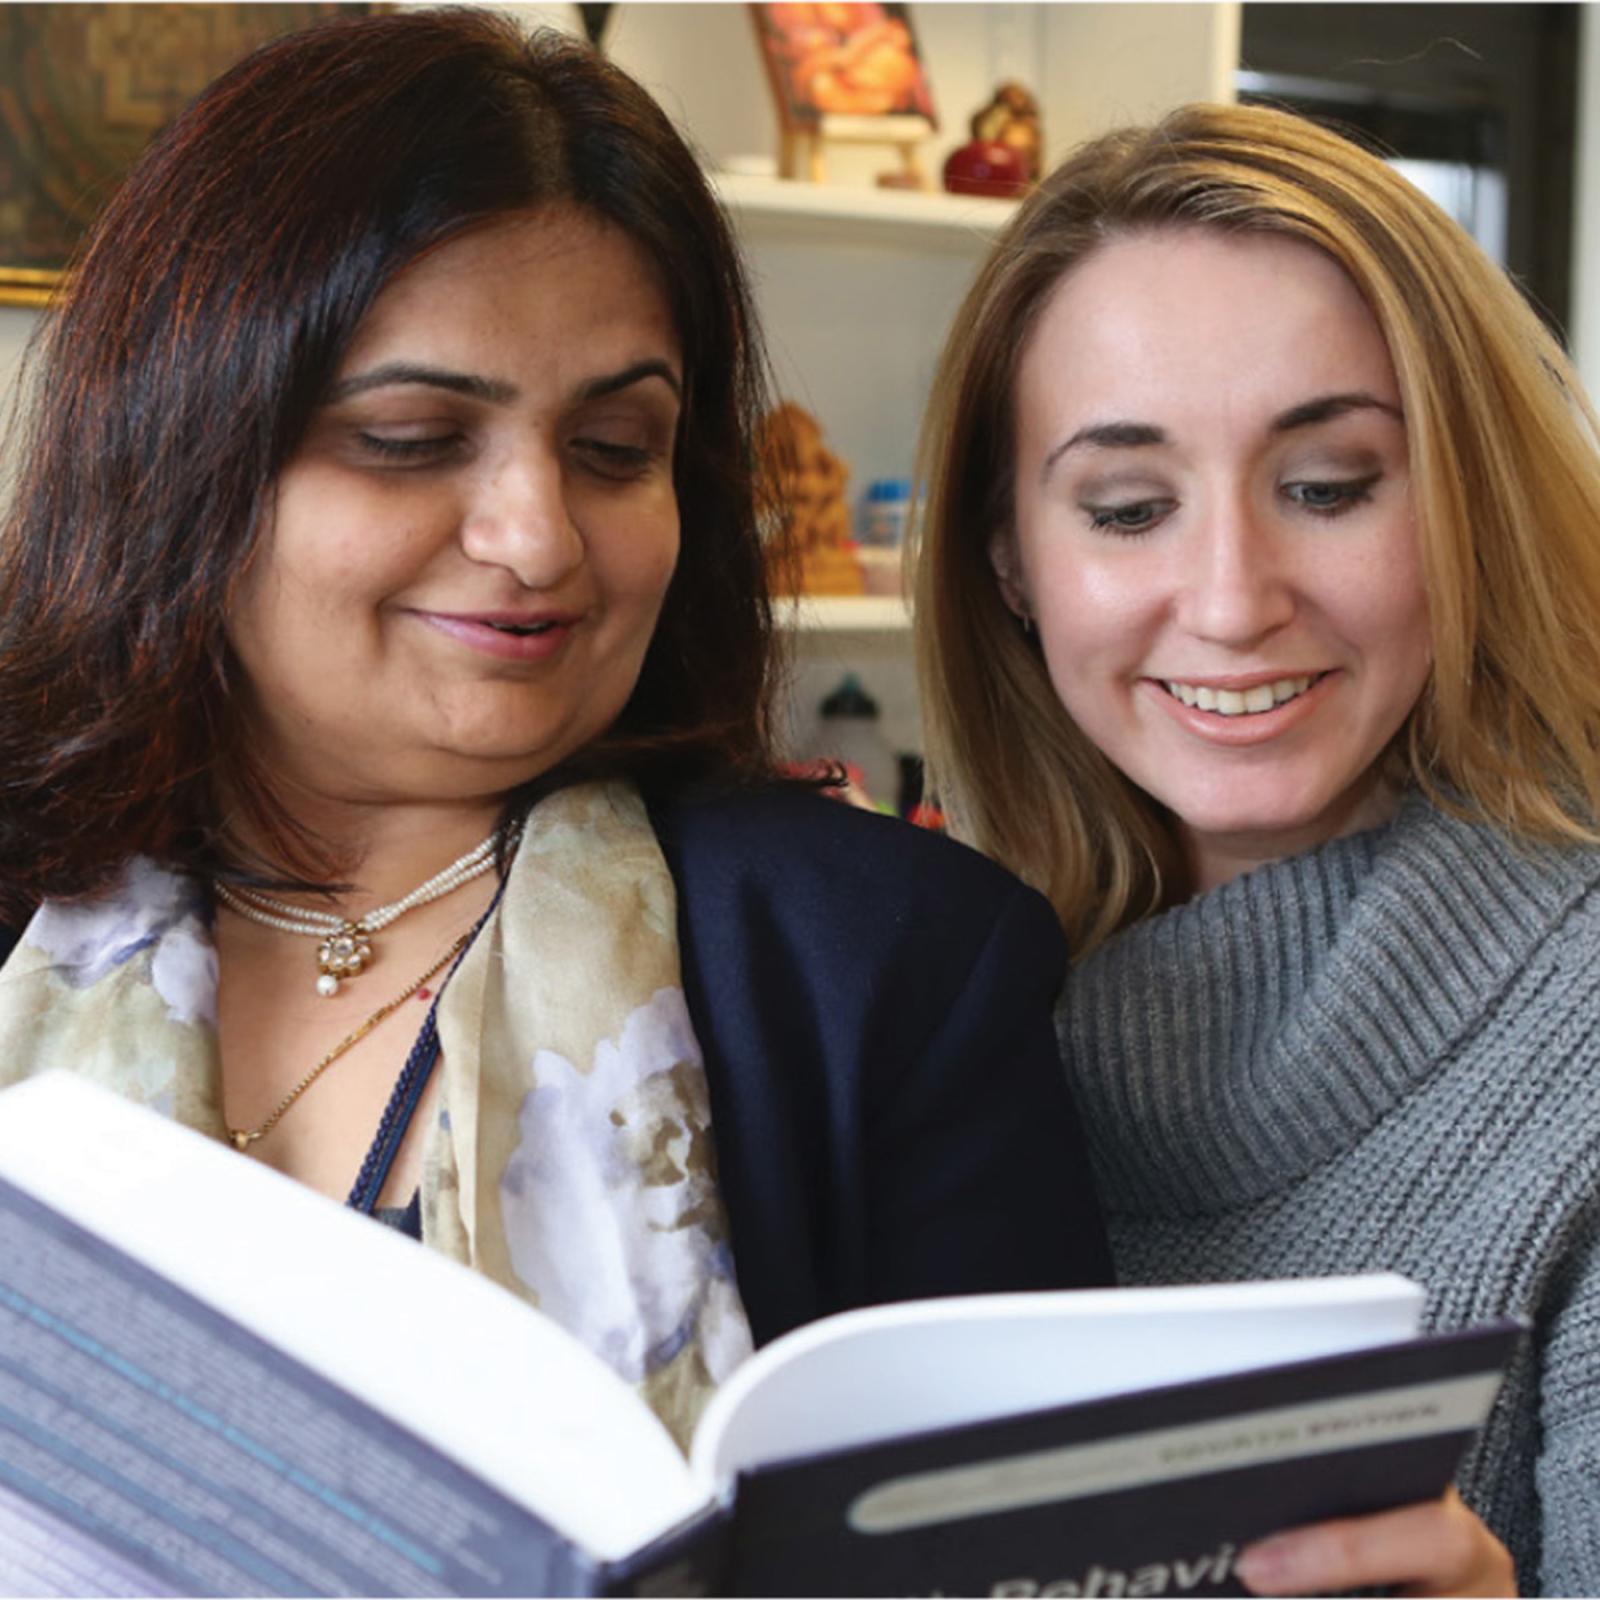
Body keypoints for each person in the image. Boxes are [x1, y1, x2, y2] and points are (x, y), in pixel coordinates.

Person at [0, 6, 1110, 1456]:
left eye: (614, 451)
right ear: (183, 456)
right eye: (410, 440)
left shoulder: (877, 967)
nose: (537, 538)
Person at [914, 101, 1600, 1597]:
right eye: (1130, 506)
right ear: (1012, 564)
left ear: (1463, 504)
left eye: (1327, 486)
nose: (1230, 599)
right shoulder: (925, 1020)